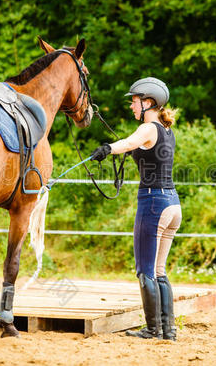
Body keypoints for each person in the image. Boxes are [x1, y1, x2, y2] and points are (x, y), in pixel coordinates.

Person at [91, 77, 181, 340]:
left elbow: (129, 143)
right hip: (173, 203)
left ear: (148, 102)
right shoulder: (166, 130)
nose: (131, 106)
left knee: (145, 270)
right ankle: (169, 331)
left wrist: (107, 149)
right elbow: (138, 147)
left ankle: (152, 329)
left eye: (134, 101)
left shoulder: (148, 127)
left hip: (153, 203)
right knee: (159, 271)